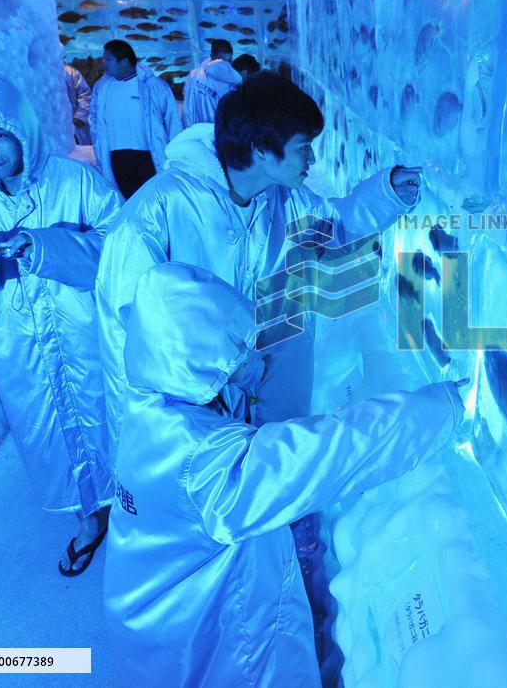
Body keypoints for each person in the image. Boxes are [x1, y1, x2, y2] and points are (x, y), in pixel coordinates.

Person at [103, 262, 466, 686]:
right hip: (204, 640)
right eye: (236, 358)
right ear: (196, 367)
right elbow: (335, 453)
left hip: (150, 621)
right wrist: (442, 407)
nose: (254, 366)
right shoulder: (207, 465)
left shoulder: (149, 404)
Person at [96, 70, 423, 448]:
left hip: (274, 402)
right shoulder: (158, 211)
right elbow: (129, 323)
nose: (313, 158)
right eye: (303, 146)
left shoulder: (283, 199)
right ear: (262, 149)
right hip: (195, 413)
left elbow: (335, 227)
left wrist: (387, 192)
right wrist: (223, 365)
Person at [0, 69, 121, 576]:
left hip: (83, 329)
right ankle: (89, 517)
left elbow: (120, 251)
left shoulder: (74, 179)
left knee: (106, 414)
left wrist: (45, 246)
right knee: (49, 429)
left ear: (22, 129)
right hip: (16, 339)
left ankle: (129, 507)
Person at [90, 39, 181, 199]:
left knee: (153, 199)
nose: (104, 63)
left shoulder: (154, 86)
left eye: (108, 59)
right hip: (117, 157)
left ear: (124, 61)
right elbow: (95, 123)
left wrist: (176, 155)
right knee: (127, 203)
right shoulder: (101, 88)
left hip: (148, 155)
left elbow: (172, 121)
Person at [181, 38, 241, 128]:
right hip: (215, 132)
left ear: (211, 55)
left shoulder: (193, 75)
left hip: (191, 130)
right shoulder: (232, 81)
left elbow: (185, 96)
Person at [63, 62, 92, 145]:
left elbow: (85, 95)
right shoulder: (39, 73)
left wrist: (80, 116)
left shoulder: (71, 72)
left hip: (75, 125)